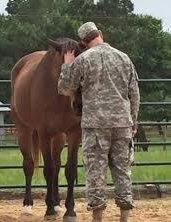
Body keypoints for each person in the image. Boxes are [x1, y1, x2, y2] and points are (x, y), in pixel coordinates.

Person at [58, 22, 140, 222]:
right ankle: (125, 218)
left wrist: (67, 64)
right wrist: (133, 122)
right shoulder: (124, 58)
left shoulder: (83, 59)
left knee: (95, 173)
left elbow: (65, 88)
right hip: (122, 124)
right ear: (100, 34)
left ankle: (98, 219)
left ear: (83, 43)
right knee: (122, 172)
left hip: (95, 126)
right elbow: (135, 94)